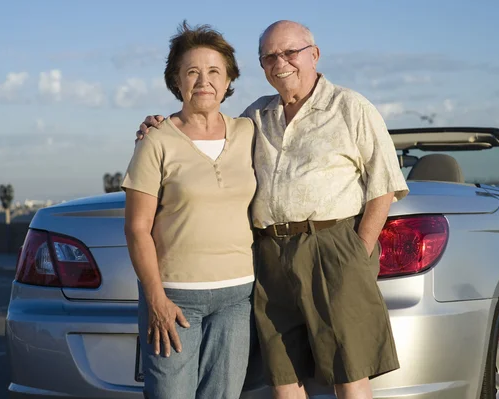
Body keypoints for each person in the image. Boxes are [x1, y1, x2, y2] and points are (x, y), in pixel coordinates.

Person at [137, 20, 409, 399]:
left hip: (331, 251)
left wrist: (357, 254)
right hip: (267, 258)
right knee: (284, 377)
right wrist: (158, 125)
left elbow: (384, 186)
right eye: (269, 56)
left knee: (349, 374)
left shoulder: (350, 107)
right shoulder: (255, 117)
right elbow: (203, 128)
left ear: (314, 55)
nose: (280, 62)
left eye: (290, 52)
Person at [122, 21, 257, 399]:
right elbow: (136, 229)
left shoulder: (249, 131)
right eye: (192, 72)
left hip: (237, 295)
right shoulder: (156, 142)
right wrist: (156, 300)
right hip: (175, 298)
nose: (204, 81)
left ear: (229, 79)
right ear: (176, 81)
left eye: (214, 71)